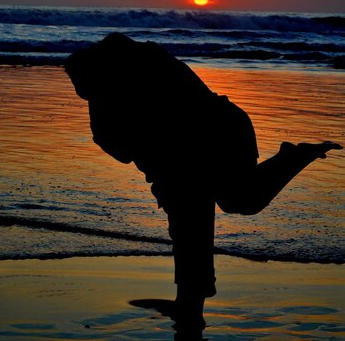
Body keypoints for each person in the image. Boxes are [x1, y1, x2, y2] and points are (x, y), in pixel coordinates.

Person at [65, 33, 341, 335]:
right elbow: (119, 148)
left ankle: (189, 307)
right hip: (191, 149)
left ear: (104, 73)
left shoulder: (142, 73)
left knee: (221, 210)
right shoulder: (112, 91)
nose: (83, 93)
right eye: (79, 88)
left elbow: (126, 142)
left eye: (85, 86)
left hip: (221, 133)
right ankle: (188, 305)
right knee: (208, 217)